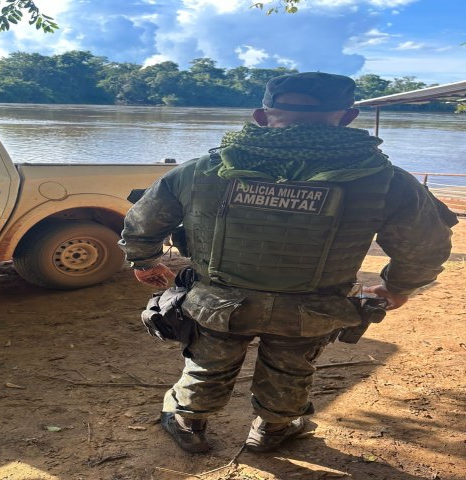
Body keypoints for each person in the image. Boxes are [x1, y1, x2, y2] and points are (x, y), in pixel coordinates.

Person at [119, 72, 457, 454]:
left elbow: (143, 221)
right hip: (311, 308)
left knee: (208, 363)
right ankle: (272, 430)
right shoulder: (386, 180)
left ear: (261, 117)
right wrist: (396, 287)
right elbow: (425, 246)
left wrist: (143, 260)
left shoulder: (202, 170)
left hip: (217, 303)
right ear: (347, 117)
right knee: (291, 369)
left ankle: (188, 422)